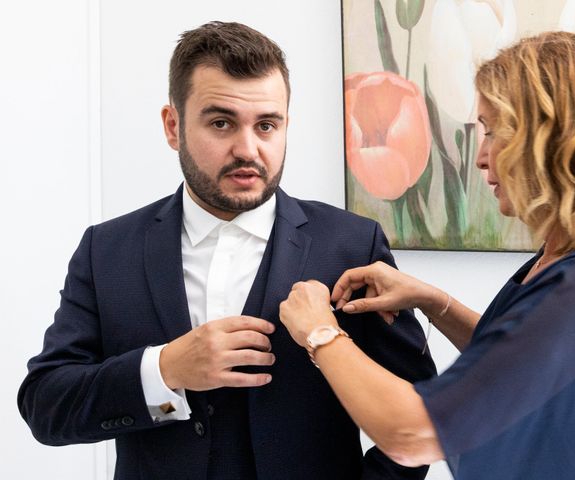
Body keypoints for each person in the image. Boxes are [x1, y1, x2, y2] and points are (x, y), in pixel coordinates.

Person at [17, 21, 436, 480]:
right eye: (221, 123)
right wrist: (165, 368)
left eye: (266, 125)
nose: (247, 149)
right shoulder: (107, 250)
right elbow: (46, 404)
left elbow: (426, 412)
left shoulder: (352, 245)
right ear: (173, 126)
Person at [279, 31, 575, 480]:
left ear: (550, 135)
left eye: (493, 131)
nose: (482, 157)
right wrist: (433, 301)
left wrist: (319, 332)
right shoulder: (568, 258)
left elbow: (412, 434)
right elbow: (518, 368)